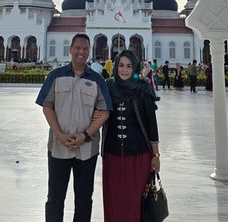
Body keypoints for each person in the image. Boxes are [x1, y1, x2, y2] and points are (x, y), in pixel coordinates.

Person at [36, 33, 112, 222]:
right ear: (70, 49)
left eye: (85, 48)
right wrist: (60, 135)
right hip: (58, 147)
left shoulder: (97, 79)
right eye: (77, 48)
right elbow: (47, 107)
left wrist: (85, 135)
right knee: (55, 198)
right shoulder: (56, 76)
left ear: (89, 51)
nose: (81, 52)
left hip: (86, 149)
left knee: (84, 199)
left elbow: (105, 112)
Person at [102, 50, 160, 222]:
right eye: (121, 65)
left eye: (128, 66)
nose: (124, 70)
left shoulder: (142, 88)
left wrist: (155, 155)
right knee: (114, 200)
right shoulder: (108, 86)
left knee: (135, 200)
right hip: (112, 156)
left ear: (134, 67)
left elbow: (152, 125)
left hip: (138, 156)